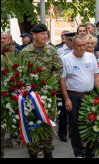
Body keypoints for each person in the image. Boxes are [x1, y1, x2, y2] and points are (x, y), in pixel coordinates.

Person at [19, 23, 64, 158]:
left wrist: (50, 84)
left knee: (47, 122)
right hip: (30, 96)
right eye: (42, 34)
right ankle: (32, 151)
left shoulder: (51, 51)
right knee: (31, 121)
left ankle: (48, 151)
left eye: (46, 34)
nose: (45, 36)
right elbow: (20, 72)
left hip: (48, 94)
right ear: (33, 35)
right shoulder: (25, 52)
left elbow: (58, 69)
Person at [60, 34, 99, 158]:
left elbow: (96, 76)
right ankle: (78, 152)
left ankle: (90, 153)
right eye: (79, 46)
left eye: (84, 45)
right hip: (73, 96)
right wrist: (66, 99)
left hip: (89, 96)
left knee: (91, 123)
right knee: (75, 125)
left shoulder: (91, 56)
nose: (82, 48)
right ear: (73, 46)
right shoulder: (66, 58)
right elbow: (62, 80)